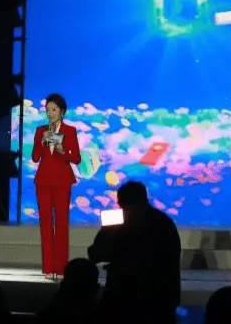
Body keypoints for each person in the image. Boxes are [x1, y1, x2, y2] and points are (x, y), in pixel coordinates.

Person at [88, 181, 182, 323]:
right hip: (161, 300)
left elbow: (96, 254)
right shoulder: (165, 222)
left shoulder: (118, 224)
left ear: (121, 202)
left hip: (123, 298)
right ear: (144, 199)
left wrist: (106, 233)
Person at [33, 93, 81, 279]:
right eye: (47, 110)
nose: (50, 113)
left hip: (62, 181)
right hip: (43, 181)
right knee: (45, 224)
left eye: (53, 109)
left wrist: (63, 150)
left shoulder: (70, 131)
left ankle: (61, 268)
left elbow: (76, 158)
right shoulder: (40, 130)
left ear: (62, 111)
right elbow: (35, 157)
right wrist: (41, 142)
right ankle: (48, 268)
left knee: (61, 224)